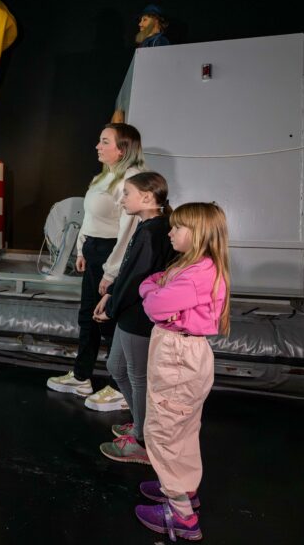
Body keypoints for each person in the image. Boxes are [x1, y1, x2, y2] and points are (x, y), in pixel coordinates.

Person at [133, 202, 231, 541]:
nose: (170, 232)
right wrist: (158, 292)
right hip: (183, 352)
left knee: (163, 432)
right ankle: (181, 489)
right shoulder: (194, 267)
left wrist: (157, 298)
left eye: (177, 228)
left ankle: (181, 516)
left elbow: (152, 302)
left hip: (177, 356)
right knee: (183, 429)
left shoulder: (196, 273)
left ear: (199, 233)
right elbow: (152, 283)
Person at [46, 123, 146, 410]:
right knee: (88, 317)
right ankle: (81, 376)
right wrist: (81, 248)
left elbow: (128, 232)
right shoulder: (104, 177)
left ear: (122, 149)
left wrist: (112, 272)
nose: (97, 147)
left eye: (104, 142)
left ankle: (119, 388)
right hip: (93, 252)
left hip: (112, 255)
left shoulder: (133, 178)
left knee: (111, 321)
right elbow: (89, 217)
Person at [91, 173, 176, 465]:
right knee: (116, 367)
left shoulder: (154, 230)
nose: (122, 199)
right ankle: (142, 422)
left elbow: (138, 277)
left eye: (127, 193)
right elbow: (129, 271)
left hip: (139, 315)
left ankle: (143, 439)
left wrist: (111, 304)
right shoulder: (147, 226)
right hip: (129, 311)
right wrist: (111, 293)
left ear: (148, 197)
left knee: (138, 377)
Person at [110, 4, 171, 124]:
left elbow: (161, 69)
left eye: (145, 20)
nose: (140, 24)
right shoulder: (146, 42)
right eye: (140, 20)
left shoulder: (159, 41)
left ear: (156, 21)